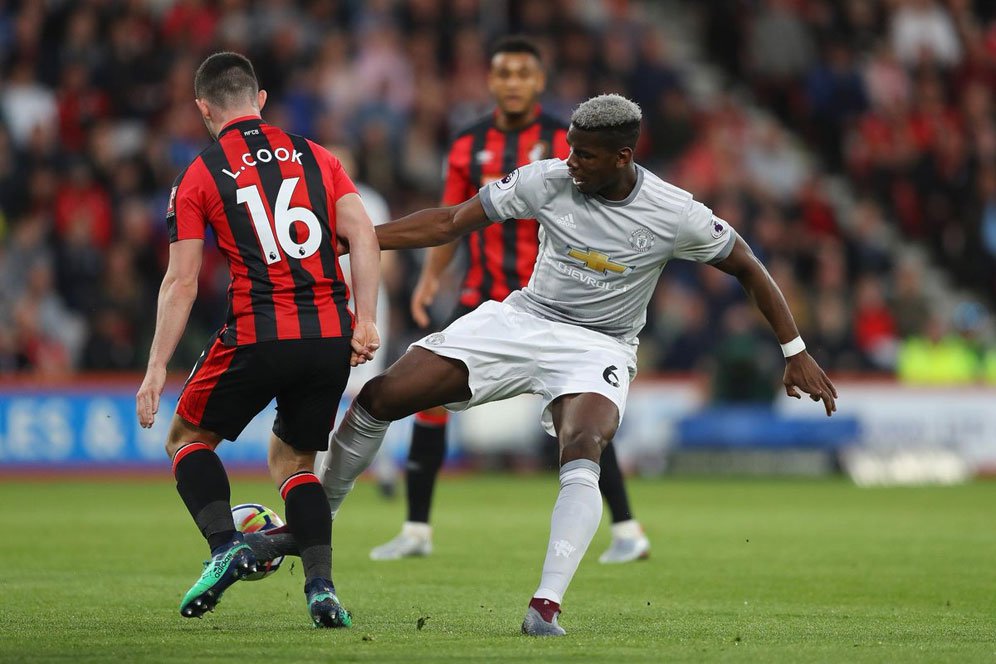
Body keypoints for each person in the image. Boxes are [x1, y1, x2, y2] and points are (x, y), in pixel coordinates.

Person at [317, 93, 837, 637]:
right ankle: (313, 522)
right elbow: (450, 222)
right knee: (379, 397)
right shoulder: (547, 178)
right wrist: (354, 243)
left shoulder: (674, 211)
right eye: (571, 150)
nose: (572, 163)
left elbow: (749, 266)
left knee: (584, 442)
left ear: (623, 156)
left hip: (600, 344)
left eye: (586, 155)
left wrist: (795, 351)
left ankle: (545, 606)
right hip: (524, 319)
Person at [371, 35, 650, 565]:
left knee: (578, 414)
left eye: (524, 74)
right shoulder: (466, 143)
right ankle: (416, 527)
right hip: (482, 295)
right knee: (427, 397)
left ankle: (627, 528)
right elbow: (448, 218)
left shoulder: (569, 142)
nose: (514, 83)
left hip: (557, 306)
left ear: (539, 82)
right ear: (492, 81)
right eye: (504, 74)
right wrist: (432, 280)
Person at [134, 52, 380, 628]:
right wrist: (364, 318)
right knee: (295, 462)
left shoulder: (198, 174)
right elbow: (363, 234)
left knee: (187, 438)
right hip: (327, 333)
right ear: (260, 99)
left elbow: (182, 281)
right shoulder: (319, 157)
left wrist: (154, 370)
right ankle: (321, 588)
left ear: (203, 108)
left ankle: (226, 548)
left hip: (258, 331)